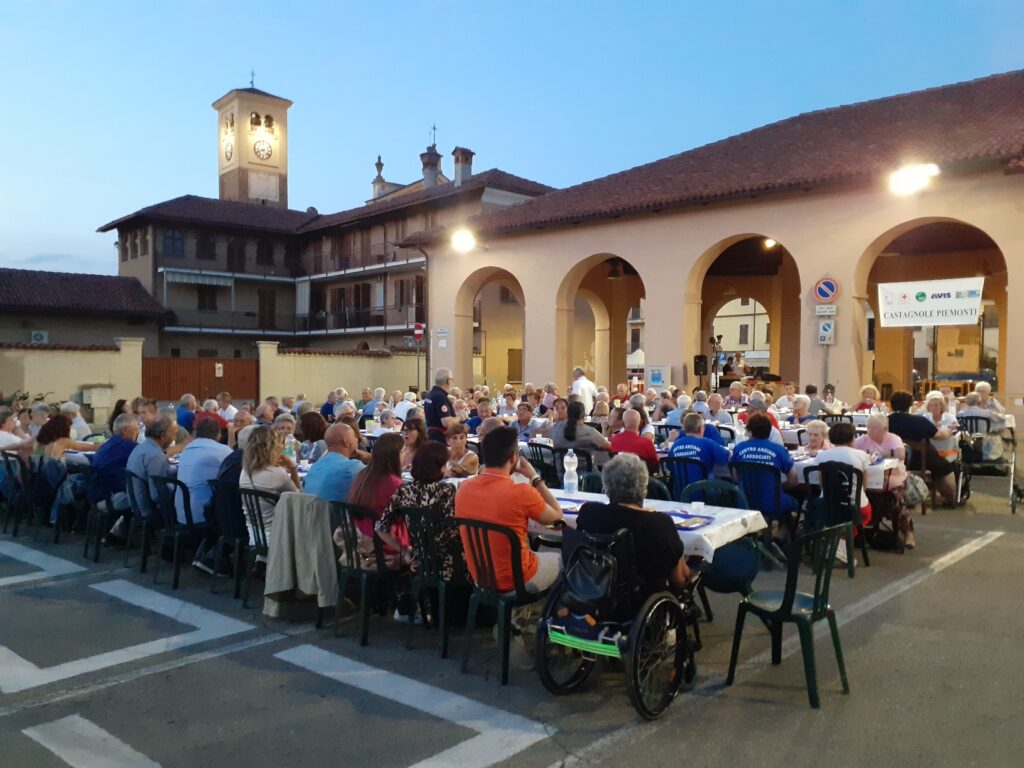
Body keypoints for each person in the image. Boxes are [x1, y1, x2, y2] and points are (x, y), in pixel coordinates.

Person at [455, 425, 563, 593]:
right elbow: (557, 519)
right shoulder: (521, 492)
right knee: (564, 561)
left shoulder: (463, 489)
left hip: (480, 577)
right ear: (514, 457)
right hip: (518, 579)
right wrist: (535, 478)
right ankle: (550, 614)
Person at [576, 453, 690, 592]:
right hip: (641, 598)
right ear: (644, 488)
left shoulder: (589, 512)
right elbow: (679, 580)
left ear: (606, 486)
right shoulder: (660, 524)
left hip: (596, 593)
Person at [377, 441, 466, 580]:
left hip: (419, 561)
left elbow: (380, 527)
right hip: (450, 564)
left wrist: (405, 551)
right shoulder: (447, 490)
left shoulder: (404, 490)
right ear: (442, 468)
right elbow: (453, 531)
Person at [886, 390, 956, 504]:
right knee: (945, 466)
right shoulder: (919, 421)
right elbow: (939, 436)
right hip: (919, 460)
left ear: (891, 404)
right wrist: (949, 430)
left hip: (893, 459)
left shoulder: (886, 420)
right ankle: (949, 496)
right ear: (909, 405)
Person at [731, 413, 799, 524]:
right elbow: (794, 480)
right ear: (769, 431)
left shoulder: (739, 448)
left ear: (750, 431)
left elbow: (735, 478)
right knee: (796, 501)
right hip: (772, 502)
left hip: (745, 502)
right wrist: (778, 487)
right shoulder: (778, 450)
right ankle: (782, 535)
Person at [239, 425, 300, 543]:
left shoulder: (245, 471)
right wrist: (293, 469)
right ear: (273, 447)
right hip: (277, 536)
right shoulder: (277, 474)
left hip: (254, 535)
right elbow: (299, 499)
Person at [808, 421, 873, 532]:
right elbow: (864, 486)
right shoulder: (862, 455)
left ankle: (837, 539)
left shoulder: (822, 455)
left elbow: (822, 486)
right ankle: (844, 538)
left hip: (828, 504)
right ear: (852, 438)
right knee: (865, 514)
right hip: (855, 506)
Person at [346, 432, 405, 546]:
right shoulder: (394, 484)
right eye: (403, 452)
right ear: (395, 455)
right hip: (382, 544)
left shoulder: (363, 474)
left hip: (360, 539)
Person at [175, 417, 232, 526]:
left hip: (181, 513)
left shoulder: (187, 449)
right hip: (204, 515)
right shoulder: (223, 450)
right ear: (218, 434)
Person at [125, 415, 174, 519]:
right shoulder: (156, 456)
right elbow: (157, 495)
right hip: (149, 511)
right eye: (173, 435)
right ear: (163, 436)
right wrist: (175, 489)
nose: (174, 438)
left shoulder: (140, 448)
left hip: (136, 505)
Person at [303, 423, 364, 503]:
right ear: (346, 441)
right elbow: (378, 478)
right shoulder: (352, 467)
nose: (357, 439)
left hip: (311, 513)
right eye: (354, 436)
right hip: (337, 514)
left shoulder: (315, 467)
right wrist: (368, 457)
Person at [90, 413, 137, 511]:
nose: (137, 433)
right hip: (111, 499)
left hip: (95, 495)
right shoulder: (129, 446)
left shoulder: (105, 445)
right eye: (135, 429)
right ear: (124, 430)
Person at [853, 414, 908, 491]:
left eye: (874, 428)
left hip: (891, 476)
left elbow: (901, 455)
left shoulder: (893, 438)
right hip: (868, 476)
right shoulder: (864, 439)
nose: (869, 431)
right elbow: (849, 449)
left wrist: (878, 453)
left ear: (885, 429)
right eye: (868, 427)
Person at [667, 412, 730, 478]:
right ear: (701, 428)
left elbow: (670, 466)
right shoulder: (707, 442)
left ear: (684, 428)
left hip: (680, 486)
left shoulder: (676, 444)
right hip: (703, 485)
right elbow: (723, 458)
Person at [610, 409, 660, 473]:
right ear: (640, 422)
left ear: (623, 423)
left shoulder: (614, 440)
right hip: (642, 479)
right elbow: (655, 466)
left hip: (618, 477)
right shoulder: (646, 442)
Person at [920, 391, 959, 460]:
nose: (934, 408)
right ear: (928, 407)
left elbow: (954, 429)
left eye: (936, 405)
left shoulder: (950, 417)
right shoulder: (925, 418)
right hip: (930, 453)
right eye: (931, 405)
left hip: (948, 450)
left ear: (941, 406)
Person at [424, 368, 459, 442]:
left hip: (430, 436)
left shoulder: (429, 395)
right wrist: (460, 417)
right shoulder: (441, 397)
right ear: (448, 381)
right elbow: (447, 422)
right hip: (440, 439)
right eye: (452, 380)